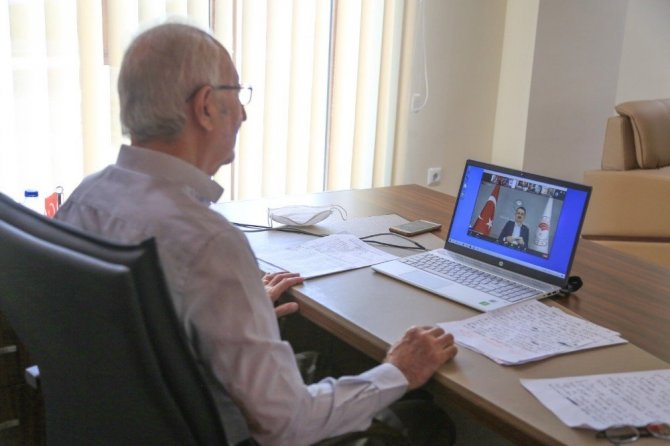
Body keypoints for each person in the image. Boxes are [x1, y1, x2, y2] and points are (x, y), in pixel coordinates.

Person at [55, 22, 458, 446]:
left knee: (328, 357)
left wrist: (227, 309)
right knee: (425, 419)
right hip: (222, 432)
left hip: (125, 422)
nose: (244, 114)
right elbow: (287, 426)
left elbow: (129, 325)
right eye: (236, 93)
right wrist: (399, 370)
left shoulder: (87, 198)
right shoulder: (208, 242)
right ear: (206, 107)